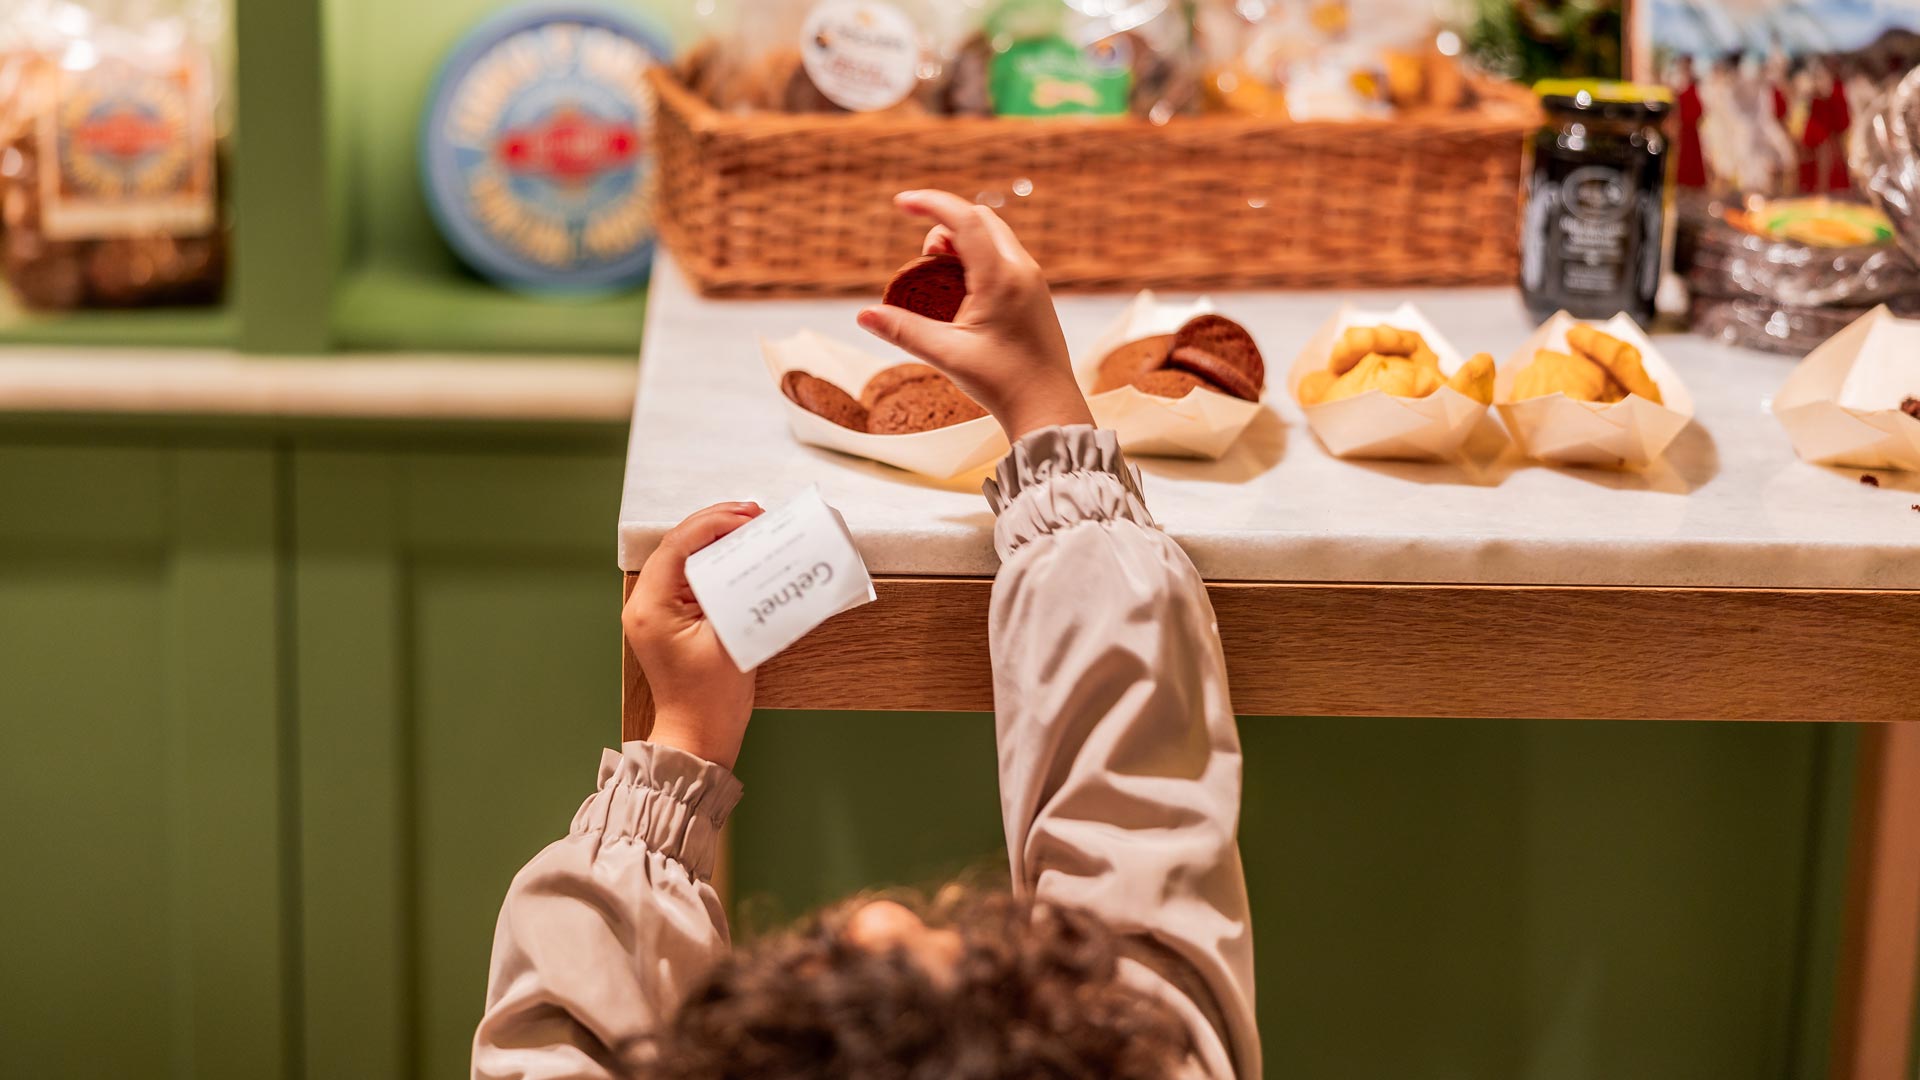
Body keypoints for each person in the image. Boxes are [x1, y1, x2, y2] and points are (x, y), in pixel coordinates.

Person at [470, 189, 1260, 1080]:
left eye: (826, 974)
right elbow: (1139, 813)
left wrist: (679, 747)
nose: (876, 918)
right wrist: (1048, 416)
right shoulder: (1151, 1059)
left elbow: (559, 1025)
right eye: (956, 975)